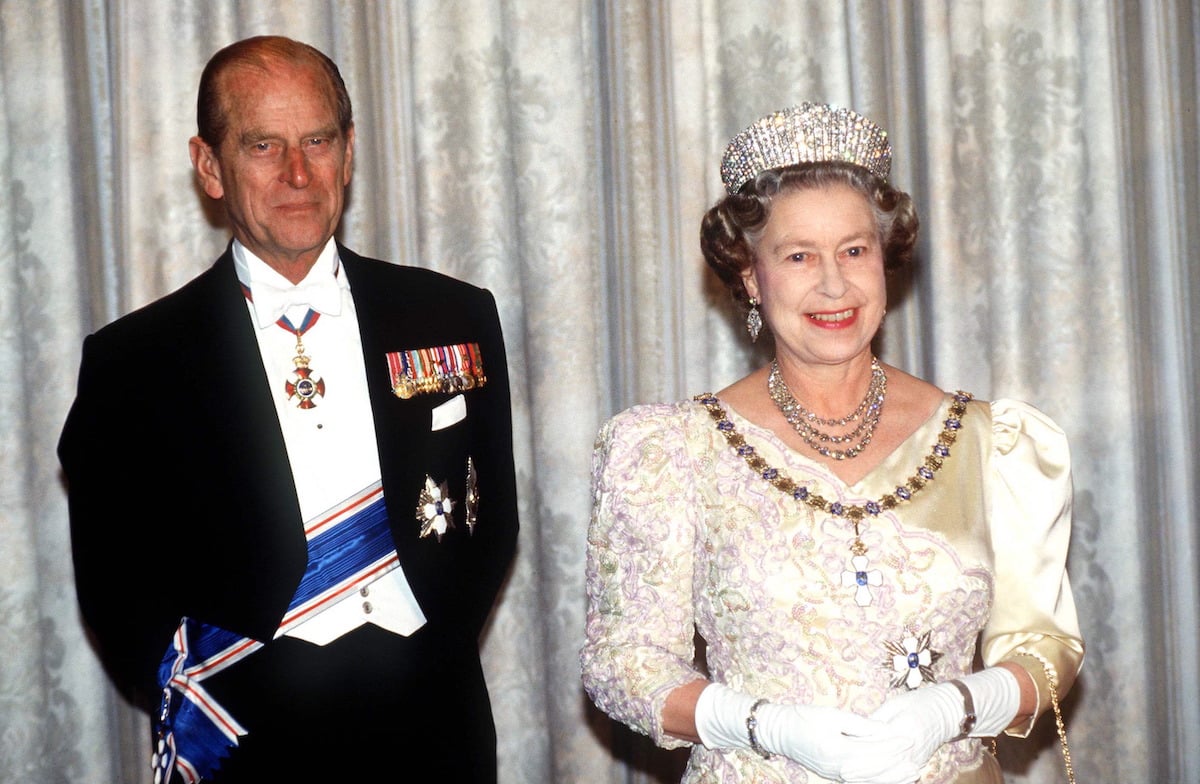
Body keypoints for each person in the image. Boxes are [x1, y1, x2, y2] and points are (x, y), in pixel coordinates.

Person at [58, 36, 518, 783]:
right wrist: (220, 701)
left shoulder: (450, 316)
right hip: (247, 744)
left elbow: (491, 521)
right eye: (263, 145)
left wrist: (426, 652)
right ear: (210, 166)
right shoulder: (135, 363)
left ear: (349, 151)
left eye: (317, 141)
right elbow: (118, 595)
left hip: (434, 729)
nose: (297, 173)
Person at [581, 103, 1083, 783]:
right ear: (751, 277)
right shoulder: (673, 452)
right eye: (798, 256)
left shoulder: (992, 443)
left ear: (884, 261)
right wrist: (763, 724)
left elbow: (1045, 646)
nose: (833, 284)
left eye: (854, 249)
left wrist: (958, 705)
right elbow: (623, 664)